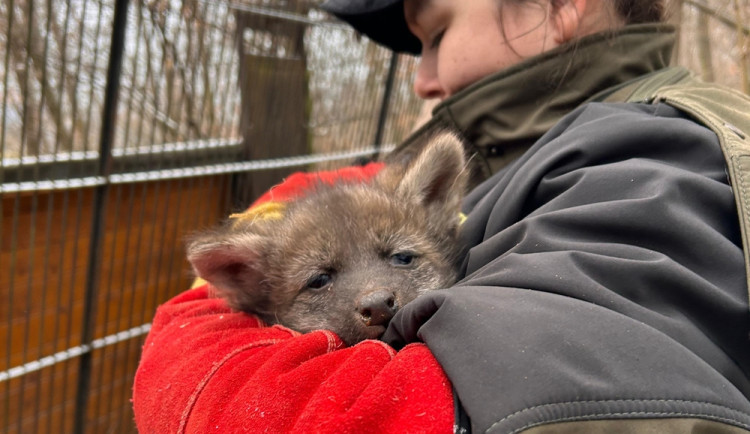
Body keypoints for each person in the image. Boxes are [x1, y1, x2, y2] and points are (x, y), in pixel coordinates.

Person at [132, 0, 750, 432]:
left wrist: (199, 340)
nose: (424, 79)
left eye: (436, 34)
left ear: (560, 4)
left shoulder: (655, 160)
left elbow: (541, 399)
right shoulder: (534, 151)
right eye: (322, 280)